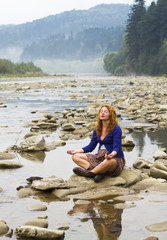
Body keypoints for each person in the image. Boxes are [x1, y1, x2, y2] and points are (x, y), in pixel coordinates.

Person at [67, 104, 125, 182]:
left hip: (114, 159)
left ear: (111, 115)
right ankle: (98, 173)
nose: (103, 113)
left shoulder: (116, 129)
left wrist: (112, 155)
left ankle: (89, 173)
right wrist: (77, 151)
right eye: (101, 111)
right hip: (99, 157)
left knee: (108, 162)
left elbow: (117, 147)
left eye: (106, 112)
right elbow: (91, 146)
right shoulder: (98, 129)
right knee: (75, 156)